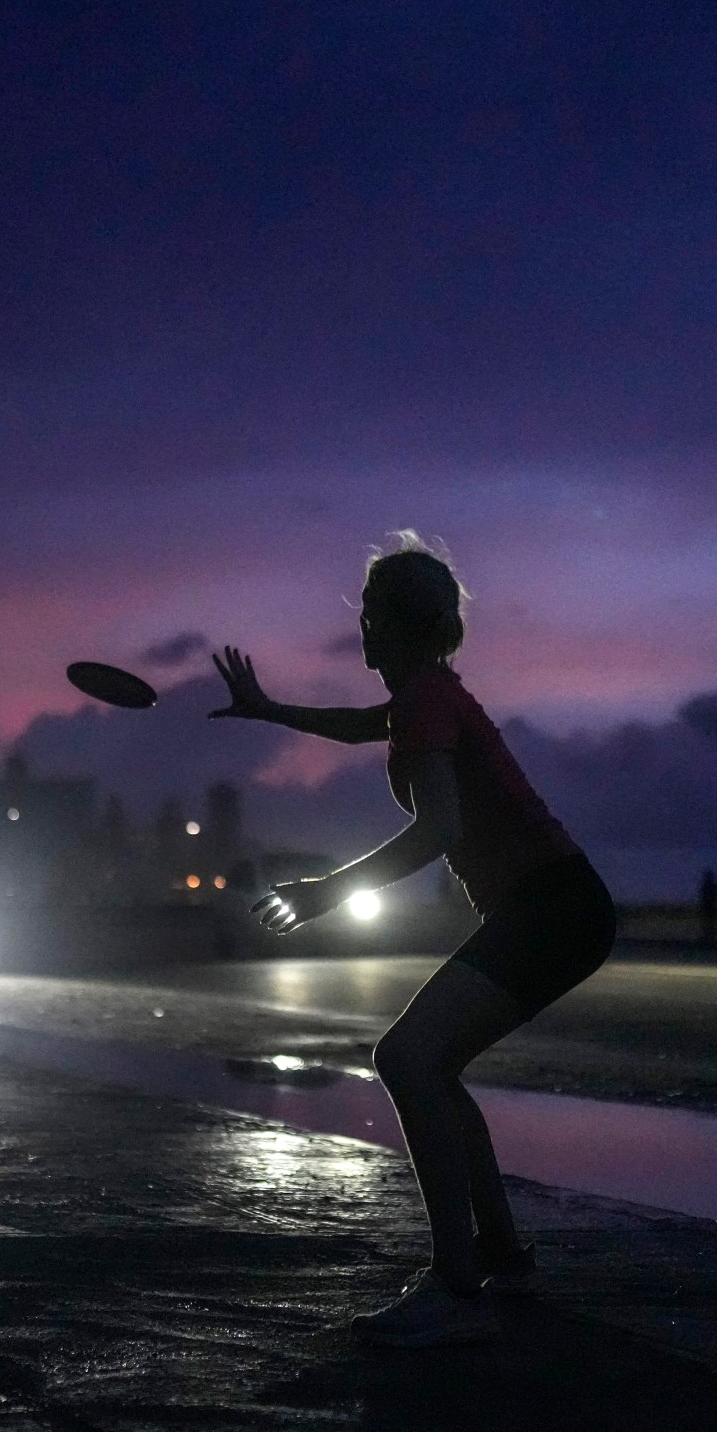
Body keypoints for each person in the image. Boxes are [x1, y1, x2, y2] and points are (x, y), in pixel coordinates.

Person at [210, 533, 614, 1348]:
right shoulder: (424, 698)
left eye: (368, 616)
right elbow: (364, 725)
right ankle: (499, 1253)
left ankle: (454, 1285)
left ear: (405, 625)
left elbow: (438, 829)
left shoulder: (428, 699)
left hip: (553, 909)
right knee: (434, 1064)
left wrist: (327, 892)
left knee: (406, 1059)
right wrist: (272, 710)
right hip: (554, 908)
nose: (359, 631)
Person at [697, 867, 717, 944]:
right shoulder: (707, 886)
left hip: (710, 907)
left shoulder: (708, 886)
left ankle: (710, 936)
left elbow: (716, 896)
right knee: (707, 922)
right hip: (708, 907)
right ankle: (708, 936)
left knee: (710, 922)